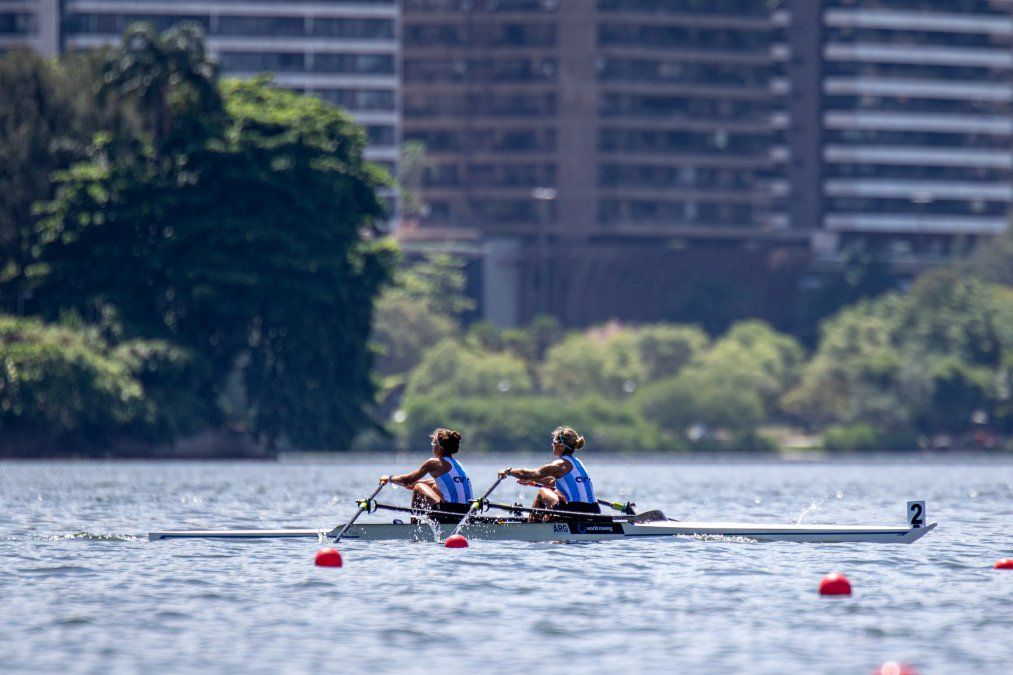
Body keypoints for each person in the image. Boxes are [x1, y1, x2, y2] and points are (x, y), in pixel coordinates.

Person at [499, 426, 601, 520]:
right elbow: (552, 482)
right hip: (595, 511)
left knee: (542, 492)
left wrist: (508, 471)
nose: (552, 445)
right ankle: (546, 520)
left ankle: (532, 528)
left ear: (561, 446)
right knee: (555, 492)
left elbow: (526, 473)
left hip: (575, 512)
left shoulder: (559, 465)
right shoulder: (578, 463)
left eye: (554, 443)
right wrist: (531, 479)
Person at [381, 428, 473, 523]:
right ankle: (429, 520)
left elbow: (407, 480)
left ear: (440, 449)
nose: (432, 447)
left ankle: (414, 526)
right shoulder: (458, 464)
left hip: (449, 514)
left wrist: (389, 478)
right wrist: (421, 482)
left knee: (418, 487)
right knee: (431, 485)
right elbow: (436, 482)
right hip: (467, 514)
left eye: (433, 444)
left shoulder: (433, 463)